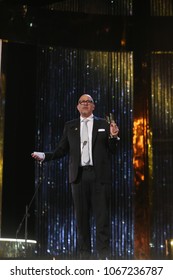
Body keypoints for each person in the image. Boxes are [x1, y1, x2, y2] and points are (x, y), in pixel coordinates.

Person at [31, 94, 119, 259]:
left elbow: (113, 150)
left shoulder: (103, 124)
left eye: (88, 102)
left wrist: (114, 136)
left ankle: (104, 258)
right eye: (82, 102)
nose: (85, 104)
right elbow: (61, 150)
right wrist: (44, 155)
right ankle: (84, 259)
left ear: (93, 106)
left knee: (102, 219)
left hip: (100, 177)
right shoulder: (70, 126)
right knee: (82, 220)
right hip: (78, 178)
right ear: (77, 107)